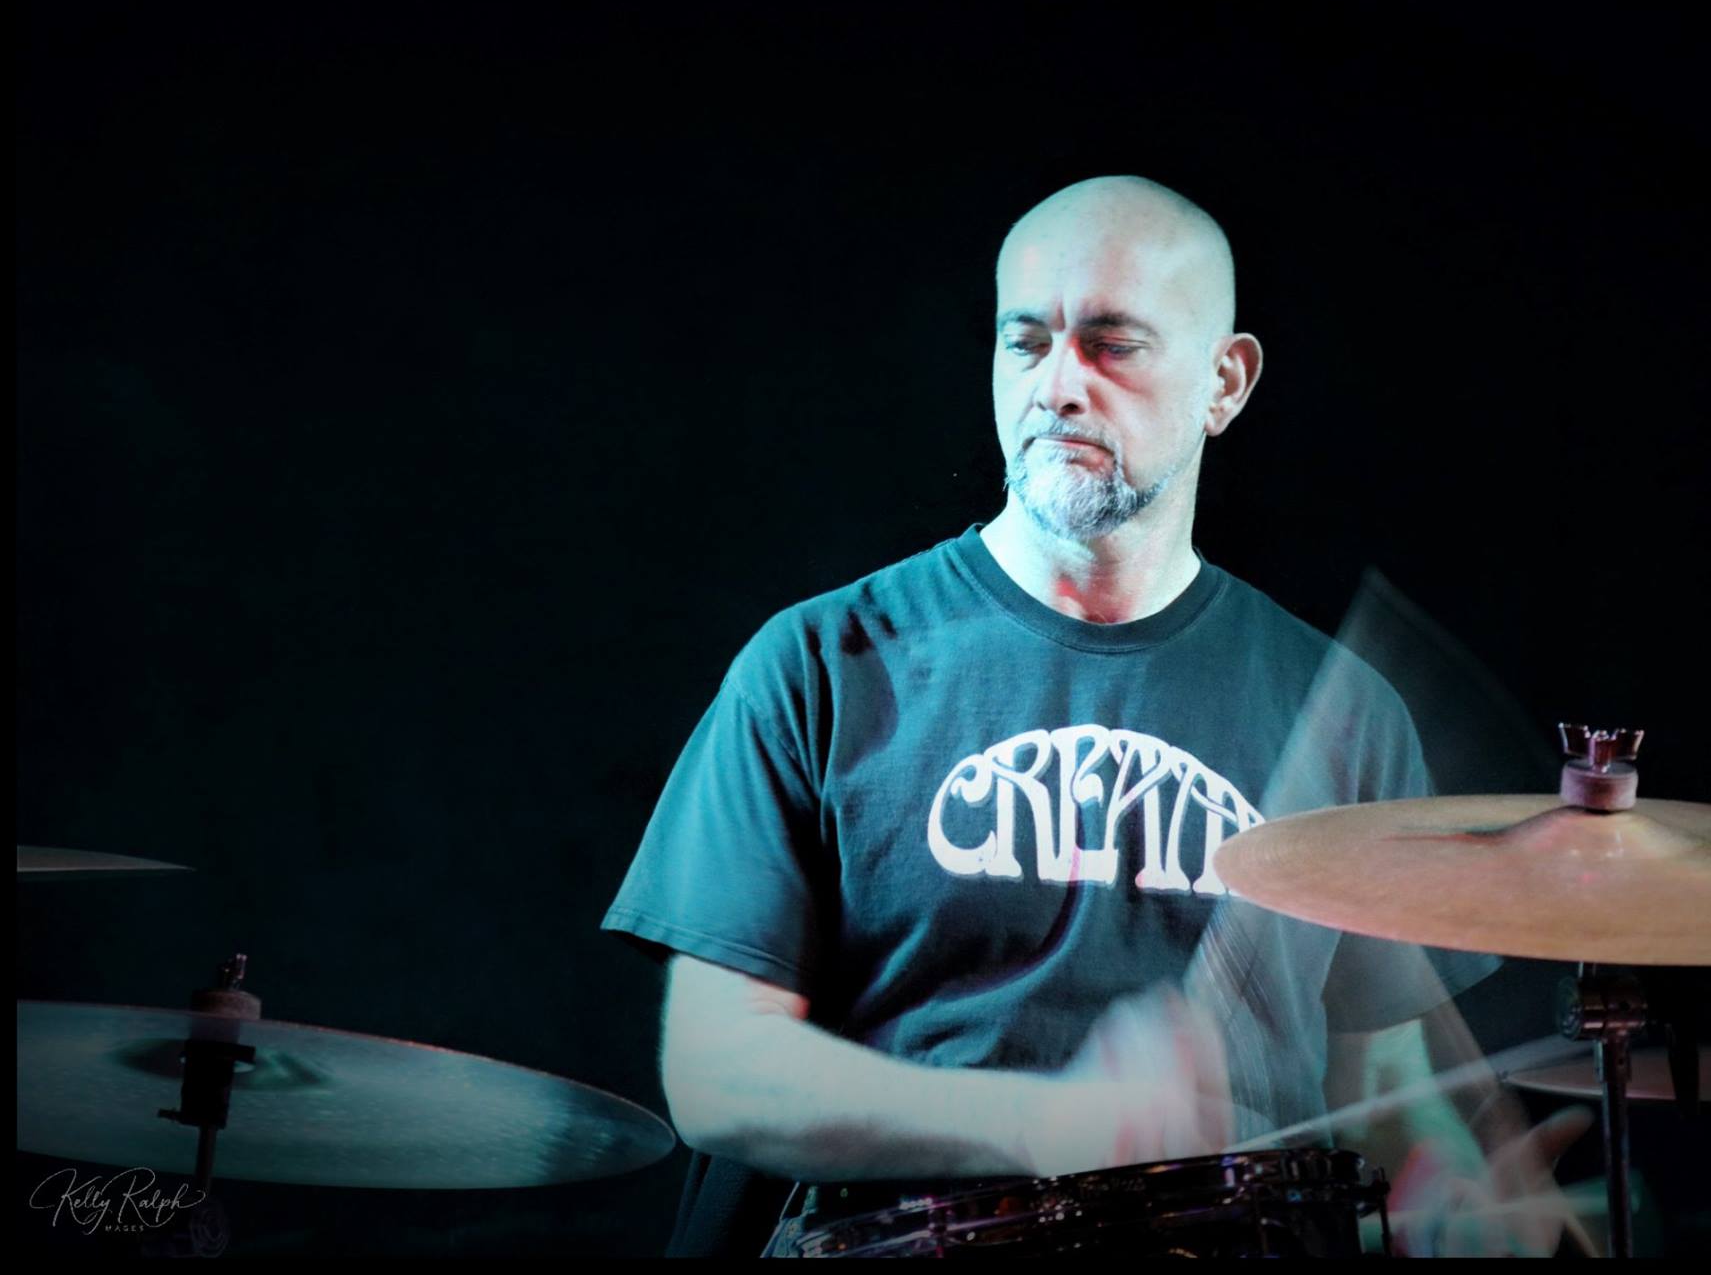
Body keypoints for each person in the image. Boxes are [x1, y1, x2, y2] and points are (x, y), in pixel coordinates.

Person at [602, 175, 1591, 1257]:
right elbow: (717, 1072)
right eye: (1023, 343)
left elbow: (1379, 1073)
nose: (1056, 386)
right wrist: (1047, 1123)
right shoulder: (823, 663)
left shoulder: (1338, 706)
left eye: (1110, 344)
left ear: (1224, 380)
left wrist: (1448, 1181)